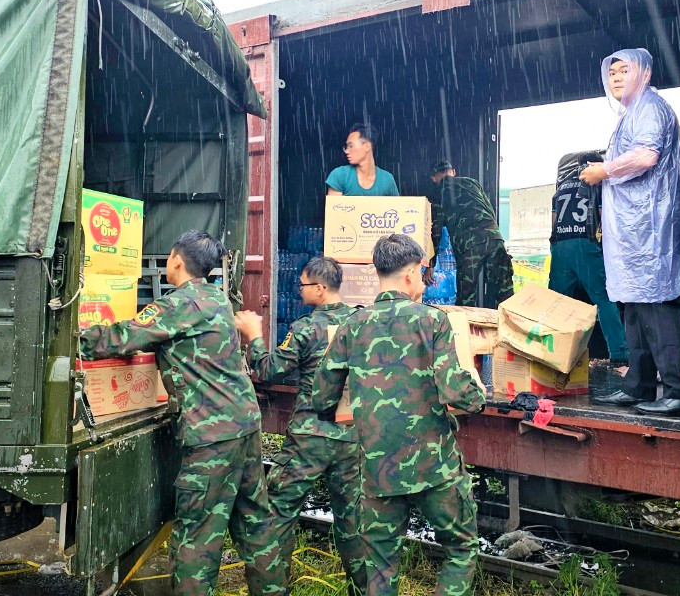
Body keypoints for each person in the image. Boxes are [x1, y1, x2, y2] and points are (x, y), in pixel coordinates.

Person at [78, 229, 284, 596]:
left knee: (197, 537)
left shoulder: (177, 304)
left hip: (211, 436)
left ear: (175, 260)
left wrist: (73, 340)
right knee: (255, 524)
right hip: (245, 426)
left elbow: (125, 336)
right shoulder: (217, 300)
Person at [312, 234, 485, 596]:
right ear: (410, 274)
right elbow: (457, 392)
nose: (424, 280)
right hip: (434, 467)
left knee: (380, 566)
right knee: (460, 549)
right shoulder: (433, 322)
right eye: (422, 273)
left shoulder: (352, 326)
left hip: (377, 470)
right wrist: (479, 395)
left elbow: (322, 396)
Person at [233, 257, 366, 593]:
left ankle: (272, 590)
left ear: (320, 289)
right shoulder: (362, 323)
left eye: (304, 284)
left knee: (277, 513)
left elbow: (267, 371)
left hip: (309, 439)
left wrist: (253, 336)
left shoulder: (306, 328)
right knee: (353, 521)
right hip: (352, 437)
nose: (300, 289)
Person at [582, 48, 680, 416]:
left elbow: (646, 156)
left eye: (623, 70)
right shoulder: (632, 112)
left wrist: (604, 171)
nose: (615, 78)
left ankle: (679, 389)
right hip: (638, 234)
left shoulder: (650, 108)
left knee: (658, 310)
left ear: (643, 73)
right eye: (611, 72)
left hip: (653, 231)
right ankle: (640, 386)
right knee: (634, 309)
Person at [548, 150, 629, 363]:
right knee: (603, 299)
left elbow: (554, 221)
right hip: (584, 244)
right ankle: (619, 355)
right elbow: (604, 216)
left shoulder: (562, 186)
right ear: (594, 165)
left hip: (560, 245)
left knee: (555, 302)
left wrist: (556, 246)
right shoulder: (596, 183)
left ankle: (551, 352)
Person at [426, 159, 515, 308]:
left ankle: (465, 329)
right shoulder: (472, 182)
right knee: (504, 292)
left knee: (466, 297)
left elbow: (436, 231)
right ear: (453, 172)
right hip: (494, 237)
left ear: (434, 178)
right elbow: (489, 209)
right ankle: (510, 327)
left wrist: (430, 264)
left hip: (470, 244)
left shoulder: (440, 192)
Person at [326, 124, 400, 197]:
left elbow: (398, 207)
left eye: (351, 146)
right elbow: (333, 208)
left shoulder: (387, 179)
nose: (346, 151)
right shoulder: (340, 175)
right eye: (346, 147)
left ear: (367, 146)